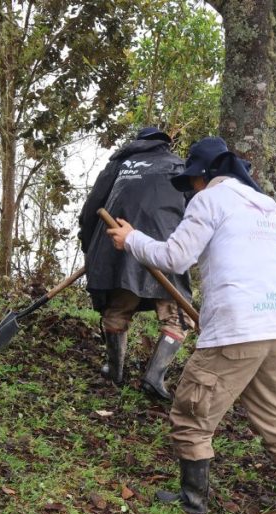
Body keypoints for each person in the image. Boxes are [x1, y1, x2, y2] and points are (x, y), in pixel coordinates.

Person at [105, 136, 276, 514]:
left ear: (205, 175)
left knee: (192, 413)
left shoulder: (210, 199)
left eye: (192, 181)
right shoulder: (270, 208)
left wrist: (130, 239)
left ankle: (192, 501)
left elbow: (175, 257)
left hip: (235, 330)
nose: (191, 190)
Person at [78, 126, 193, 399]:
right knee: (177, 315)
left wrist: (90, 248)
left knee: (118, 308)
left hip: (118, 247)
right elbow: (194, 211)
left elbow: (92, 206)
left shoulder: (119, 165)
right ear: (164, 145)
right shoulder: (178, 166)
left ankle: (114, 370)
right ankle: (154, 377)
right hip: (165, 246)